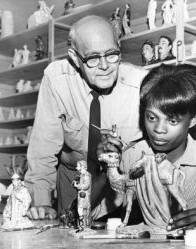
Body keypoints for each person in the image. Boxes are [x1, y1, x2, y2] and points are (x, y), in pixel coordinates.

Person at [24, 15, 147, 220]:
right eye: (92, 58)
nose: (104, 65)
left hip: (123, 187)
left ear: (119, 47)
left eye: (111, 54)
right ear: (74, 57)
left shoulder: (140, 83)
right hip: (74, 181)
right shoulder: (56, 80)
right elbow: (43, 148)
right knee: (70, 245)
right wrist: (41, 203)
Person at [120, 64, 196, 231]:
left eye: (172, 121)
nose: (158, 130)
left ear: (192, 120)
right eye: (152, 117)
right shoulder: (132, 155)